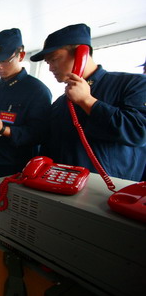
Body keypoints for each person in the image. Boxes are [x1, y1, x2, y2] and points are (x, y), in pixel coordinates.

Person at [30, 23, 146, 181]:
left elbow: (138, 132)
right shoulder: (60, 103)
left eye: (54, 59)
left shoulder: (133, 84)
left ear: (81, 54)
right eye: (48, 63)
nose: (51, 68)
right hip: (62, 186)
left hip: (109, 190)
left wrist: (88, 101)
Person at [0, 28, 52, 179]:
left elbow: (38, 135)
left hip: (14, 169)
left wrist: (2, 129)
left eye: (5, 61)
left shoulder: (37, 91)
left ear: (21, 55)